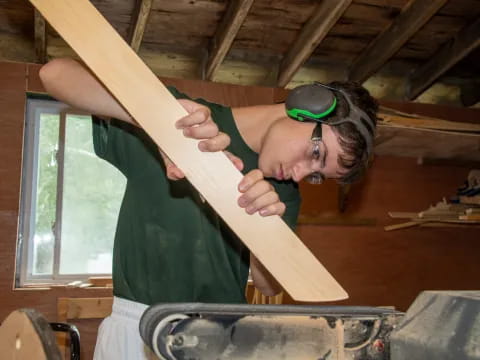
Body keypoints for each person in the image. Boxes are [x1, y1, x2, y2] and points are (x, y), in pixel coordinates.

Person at [39, 58, 378, 359]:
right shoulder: (188, 119)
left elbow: (269, 286)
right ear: (308, 104)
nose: (302, 173)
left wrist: (263, 229)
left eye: (317, 175)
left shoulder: (283, 192)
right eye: (316, 154)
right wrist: (156, 123)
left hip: (223, 337)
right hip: (138, 328)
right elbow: (55, 74)